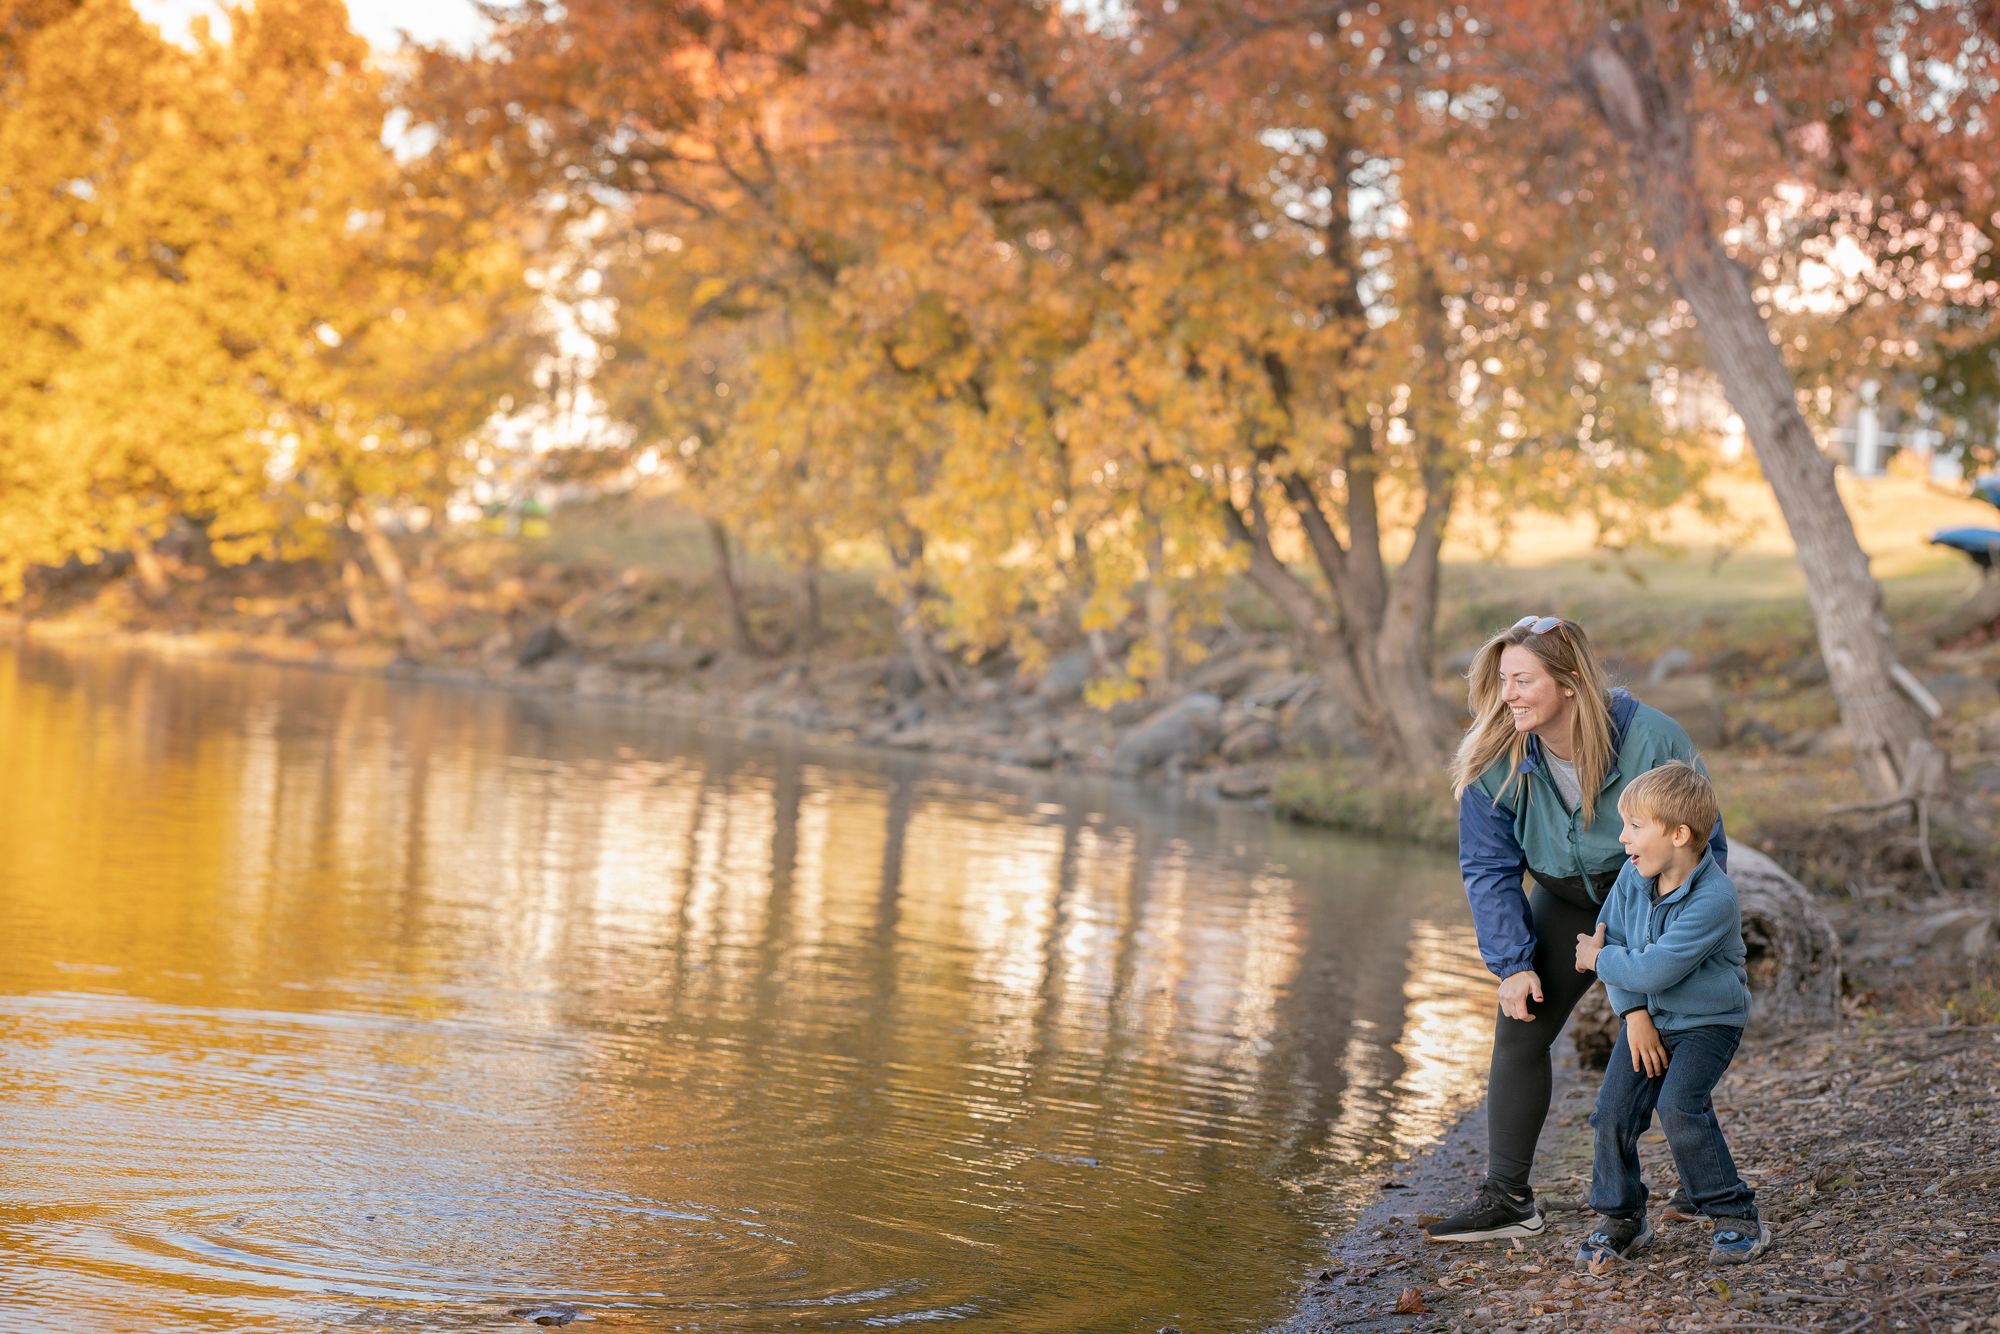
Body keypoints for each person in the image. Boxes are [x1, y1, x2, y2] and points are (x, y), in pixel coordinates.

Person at [1424, 615, 1725, 1243]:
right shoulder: (1496, 754)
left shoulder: (1650, 739)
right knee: (1521, 1021)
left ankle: (1706, 1191)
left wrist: (1664, 944)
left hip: (1653, 897)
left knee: (1670, 1031)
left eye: (1523, 680)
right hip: (1563, 900)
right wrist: (1512, 963)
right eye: (1503, 680)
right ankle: (1508, 1198)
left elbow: (1703, 843)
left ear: (1568, 682)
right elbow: (1487, 865)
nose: (1508, 695)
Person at [1572, 761, 1767, 1266]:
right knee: (1613, 1113)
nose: (1623, 838)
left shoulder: (1714, 897)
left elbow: (1653, 967)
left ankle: (1734, 1214)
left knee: (1680, 1105)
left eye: (1635, 826)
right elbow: (1613, 938)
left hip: (1708, 1023)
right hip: (1648, 1020)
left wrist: (1596, 960)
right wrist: (1634, 1016)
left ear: (1680, 834)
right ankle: (1623, 1219)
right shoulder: (1630, 879)